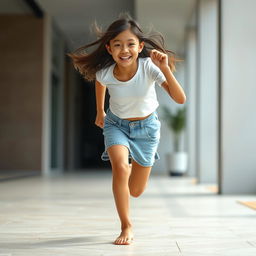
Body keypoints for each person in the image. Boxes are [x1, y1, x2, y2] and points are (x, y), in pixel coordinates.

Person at [68, 13, 186, 245]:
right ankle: (126, 226)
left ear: (140, 46)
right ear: (109, 48)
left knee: (136, 191)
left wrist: (165, 68)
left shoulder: (149, 67)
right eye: (118, 45)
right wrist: (100, 111)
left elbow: (180, 99)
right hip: (116, 125)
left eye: (130, 44)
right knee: (120, 168)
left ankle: (131, 167)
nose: (125, 50)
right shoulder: (105, 71)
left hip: (147, 129)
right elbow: (100, 82)